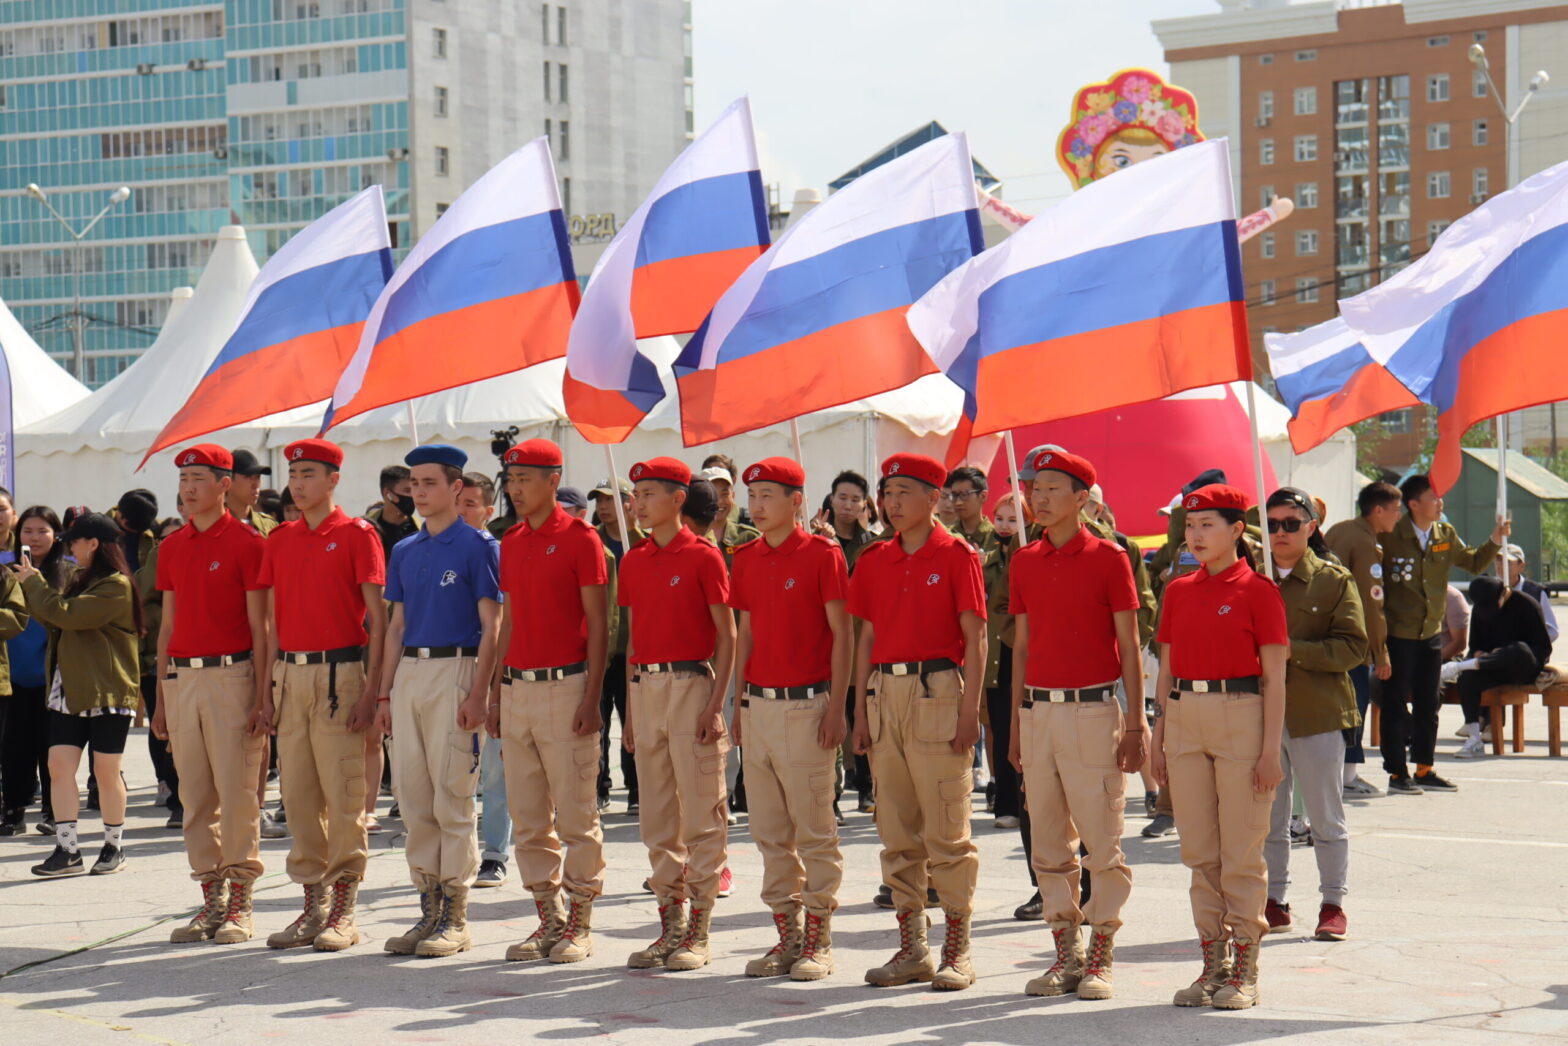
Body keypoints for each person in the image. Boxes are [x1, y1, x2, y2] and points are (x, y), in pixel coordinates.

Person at [1005, 450, 1146, 1000]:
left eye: (1052, 488)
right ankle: (1066, 953)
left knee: (1102, 843)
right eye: (1034, 488)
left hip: (1093, 712)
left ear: (1082, 499)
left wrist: (1135, 724)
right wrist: (1017, 723)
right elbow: (1022, 647)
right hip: (1038, 713)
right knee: (1047, 843)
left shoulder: (1111, 557)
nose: (1038, 498)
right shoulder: (1024, 561)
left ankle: (1101, 954)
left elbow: (1130, 646)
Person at [849, 453, 987, 992]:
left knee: (947, 833)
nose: (893, 501)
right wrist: (859, 709)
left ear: (936, 498)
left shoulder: (957, 555)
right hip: (886, 693)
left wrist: (970, 709)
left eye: (906, 491)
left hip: (937, 692)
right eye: (888, 492)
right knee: (897, 831)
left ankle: (958, 948)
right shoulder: (874, 558)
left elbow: (974, 638)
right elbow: (865, 639)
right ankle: (913, 948)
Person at [1150, 484, 1287, 1010]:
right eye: (1190, 524)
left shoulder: (1259, 591)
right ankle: (1213, 965)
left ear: (1237, 530)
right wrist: (1160, 736)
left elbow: (1275, 678)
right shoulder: (1178, 590)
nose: (1197, 534)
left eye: (1208, 524)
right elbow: (1166, 670)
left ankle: (1246, 968)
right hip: (1185, 716)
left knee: (1241, 853)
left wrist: (1270, 751)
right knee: (1199, 853)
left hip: (1241, 715)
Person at [257, 438, 387, 952]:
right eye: (294, 474)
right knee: (300, 799)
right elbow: (269, 625)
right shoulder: (281, 539)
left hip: (341, 674)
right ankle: (311, 906)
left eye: (309, 473)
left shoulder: (358, 534)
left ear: (334, 479)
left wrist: (373, 690)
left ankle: (344, 910)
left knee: (344, 795)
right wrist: (267, 690)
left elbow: (378, 618)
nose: (298, 482)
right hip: (291, 676)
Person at [484, 439, 608, 963]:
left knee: (576, 816)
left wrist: (593, 696)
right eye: (510, 481)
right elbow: (508, 620)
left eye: (525, 480)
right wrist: (494, 690)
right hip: (517, 689)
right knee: (529, 815)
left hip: (567, 687)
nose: (514, 490)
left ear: (553, 481)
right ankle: (548, 919)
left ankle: (580, 922)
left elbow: (601, 624)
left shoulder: (582, 538)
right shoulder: (511, 539)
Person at [376, 445, 501, 958]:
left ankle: (457, 912)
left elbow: (494, 624)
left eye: (429, 482)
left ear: (456, 488)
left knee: (453, 794)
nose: (419, 492)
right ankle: (427, 906)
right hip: (410, 672)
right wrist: (384, 692)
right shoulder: (405, 549)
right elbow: (395, 627)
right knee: (413, 794)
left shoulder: (478, 546)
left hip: (457, 667)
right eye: (414, 483)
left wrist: (480, 691)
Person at [729, 458, 850, 981]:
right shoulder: (746, 556)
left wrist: (838, 708)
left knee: (815, 831)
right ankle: (787, 935)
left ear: (797, 500)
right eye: (752, 496)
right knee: (769, 832)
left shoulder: (823, 554)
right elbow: (745, 635)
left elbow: (843, 635)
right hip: (757, 705)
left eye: (768, 496)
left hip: (807, 706)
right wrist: (735, 705)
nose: (756, 506)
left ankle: (819, 938)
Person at [619, 457, 734, 972]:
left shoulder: (704, 556)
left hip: (691, 683)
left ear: (677, 500)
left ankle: (700, 928)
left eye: (648, 494)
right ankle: (670, 926)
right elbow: (632, 639)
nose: (638, 503)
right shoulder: (634, 559)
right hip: (646, 688)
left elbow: (728, 637)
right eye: (636, 494)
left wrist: (715, 705)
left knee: (703, 814)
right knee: (658, 817)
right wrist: (630, 712)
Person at [152, 445, 270, 943]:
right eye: (183, 479)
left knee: (238, 793)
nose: (189, 487)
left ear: (226, 484)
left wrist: (263, 695)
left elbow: (262, 628)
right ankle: (211, 899)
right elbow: (167, 625)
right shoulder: (173, 545)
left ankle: (241, 899)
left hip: (231, 676)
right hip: (183, 679)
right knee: (194, 795)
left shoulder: (247, 542)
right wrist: (159, 696)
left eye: (199, 477)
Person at [1262, 488, 1366, 944]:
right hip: (1259, 712)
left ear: (1311, 527)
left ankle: (1333, 903)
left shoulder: (1333, 580)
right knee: (1268, 816)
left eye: (1290, 523)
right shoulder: (1251, 578)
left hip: (1316, 712)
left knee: (1325, 816)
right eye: (1271, 524)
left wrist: (1292, 652)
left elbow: (1353, 646)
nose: (1280, 532)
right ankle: (1274, 901)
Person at [15, 512, 140, 877]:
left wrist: (34, 584)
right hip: (69, 688)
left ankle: (113, 844)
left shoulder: (116, 585)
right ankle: (67, 849)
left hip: (108, 690)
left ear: (94, 544)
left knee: (105, 771)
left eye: (74, 541)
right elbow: (57, 615)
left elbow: (66, 615)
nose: (69, 547)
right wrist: (37, 588)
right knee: (59, 767)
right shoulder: (80, 580)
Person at [1378, 474, 1506, 795]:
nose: (1440, 503)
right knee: (1394, 704)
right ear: (1413, 504)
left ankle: (1424, 767)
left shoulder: (1444, 533)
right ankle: (1397, 773)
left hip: (1430, 635)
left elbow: (1474, 563)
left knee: (1427, 703)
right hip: (1398, 634)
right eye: (1434, 498)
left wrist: (1495, 540)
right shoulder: (1391, 535)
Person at [1324, 481, 1402, 798]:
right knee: (1354, 706)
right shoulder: (1366, 543)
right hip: (1351, 641)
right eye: (1396, 510)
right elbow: (1371, 603)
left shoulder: (1340, 530)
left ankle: (1337, 774)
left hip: (1325, 634)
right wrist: (1380, 653)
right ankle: (1348, 776)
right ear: (1378, 509)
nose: (1398, 517)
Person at [456, 471, 511, 888]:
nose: (461, 511)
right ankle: (458, 850)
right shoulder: (436, 548)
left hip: (489, 668)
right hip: (447, 669)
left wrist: (492, 688)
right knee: (455, 768)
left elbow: (500, 625)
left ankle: (495, 851)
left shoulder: (494, 553)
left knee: (493, 769)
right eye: (457, 501)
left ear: (489, 511)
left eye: (470, 504)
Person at [3, 506, 65, 835]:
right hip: (13, 674)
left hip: (53, 675)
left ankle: (55, 812)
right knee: (13, 746)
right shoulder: (4, 569)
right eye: (28, 530)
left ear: (56, 536)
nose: (35, 537)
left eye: (43, 530)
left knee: (51, 747)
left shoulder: (67, 572)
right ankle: (13, 811)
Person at [1443, 574, 1551, 758]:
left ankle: (1462, 666)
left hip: (1523, 667)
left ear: (1503, 593)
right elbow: (1475, 646)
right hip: (1491, 667)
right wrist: (1481, 655)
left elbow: (1543, 649)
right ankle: (1474, 738)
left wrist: (1502, 653)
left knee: (1518, 649)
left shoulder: (1526, 604)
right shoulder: (1480, 609)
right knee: (1468, 678)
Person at [592, 478, 642, 815]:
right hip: (598, 649)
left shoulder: (644, 543)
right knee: (597, 722)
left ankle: (637, 789)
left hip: (633, 648)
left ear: (630, 503)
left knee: (634, 719)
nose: (603, 506)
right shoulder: (590, 542)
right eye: (599, 500)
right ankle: (598, 787)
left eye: (611, 499)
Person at [699, 465, 761, 561]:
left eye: (725, 494)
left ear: (733, 496)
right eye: (712, 494)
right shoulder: (691, 538)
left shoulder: (748, 538)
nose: (719, 501)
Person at [1504, 544, 1558, 640]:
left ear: (1521, 566)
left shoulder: (1536, 593)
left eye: (1507, 562)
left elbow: (1552, 630)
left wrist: (1532, 646)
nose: (1501, 565)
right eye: (1498, 560)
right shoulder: (1489, 591)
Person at [228, 450, 279, 536]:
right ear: (228, 481)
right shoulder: (211, 524)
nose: (256, 485)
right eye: (248, 477)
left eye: (258, 477)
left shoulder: (269, 525)